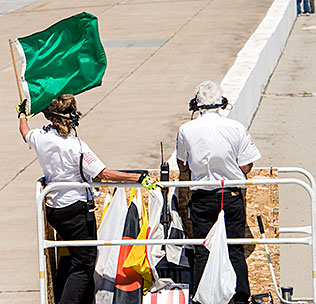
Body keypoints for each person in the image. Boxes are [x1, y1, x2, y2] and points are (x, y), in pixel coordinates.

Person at [17, 94, 161, 304]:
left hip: (54, 209)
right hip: (76, 210)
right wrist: (139, 178)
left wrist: (22, 114)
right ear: (72, 118)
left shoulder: (41, 137)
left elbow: (25, 132)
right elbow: (104, 174)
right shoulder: (77, 146)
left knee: (79, 259)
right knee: (84, 264)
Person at [176, 81, 261, 304]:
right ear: (222, 103)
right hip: (231, 195)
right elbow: (246, 165)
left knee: (203, 250)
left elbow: (182, 165)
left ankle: (201, 297)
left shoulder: (186, 129)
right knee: (234, 249)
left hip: (202, 197)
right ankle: (241, 297)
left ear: (196, 104)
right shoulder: (236, 128)